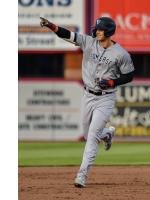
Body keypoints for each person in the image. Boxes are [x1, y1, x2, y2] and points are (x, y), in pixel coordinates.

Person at [40, 16, 135, 187]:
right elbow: (67, 35)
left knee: (92, 137)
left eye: (100, 29)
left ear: (109, 31)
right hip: (88, 95)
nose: (97, 31)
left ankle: (82, 175)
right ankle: (107, 134)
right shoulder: (89, 42)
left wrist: (113, 82)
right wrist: (50, 25)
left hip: (106, 98)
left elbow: (129, 75)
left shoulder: (121, 54)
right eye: (97, 28)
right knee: (86, 135)